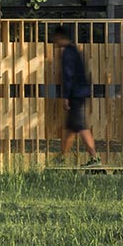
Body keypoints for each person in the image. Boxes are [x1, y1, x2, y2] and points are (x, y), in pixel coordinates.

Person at [53, 26, 100, 167]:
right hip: (80, 91)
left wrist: (65, 96)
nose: (54, 42)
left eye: (55, 38)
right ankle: (61, 158)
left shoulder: (68, 53)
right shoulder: (74, 51)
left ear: (60, 36)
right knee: (72, 128)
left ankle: (95, 159)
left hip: (76, 93)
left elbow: (68, 75)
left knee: (80, 126)